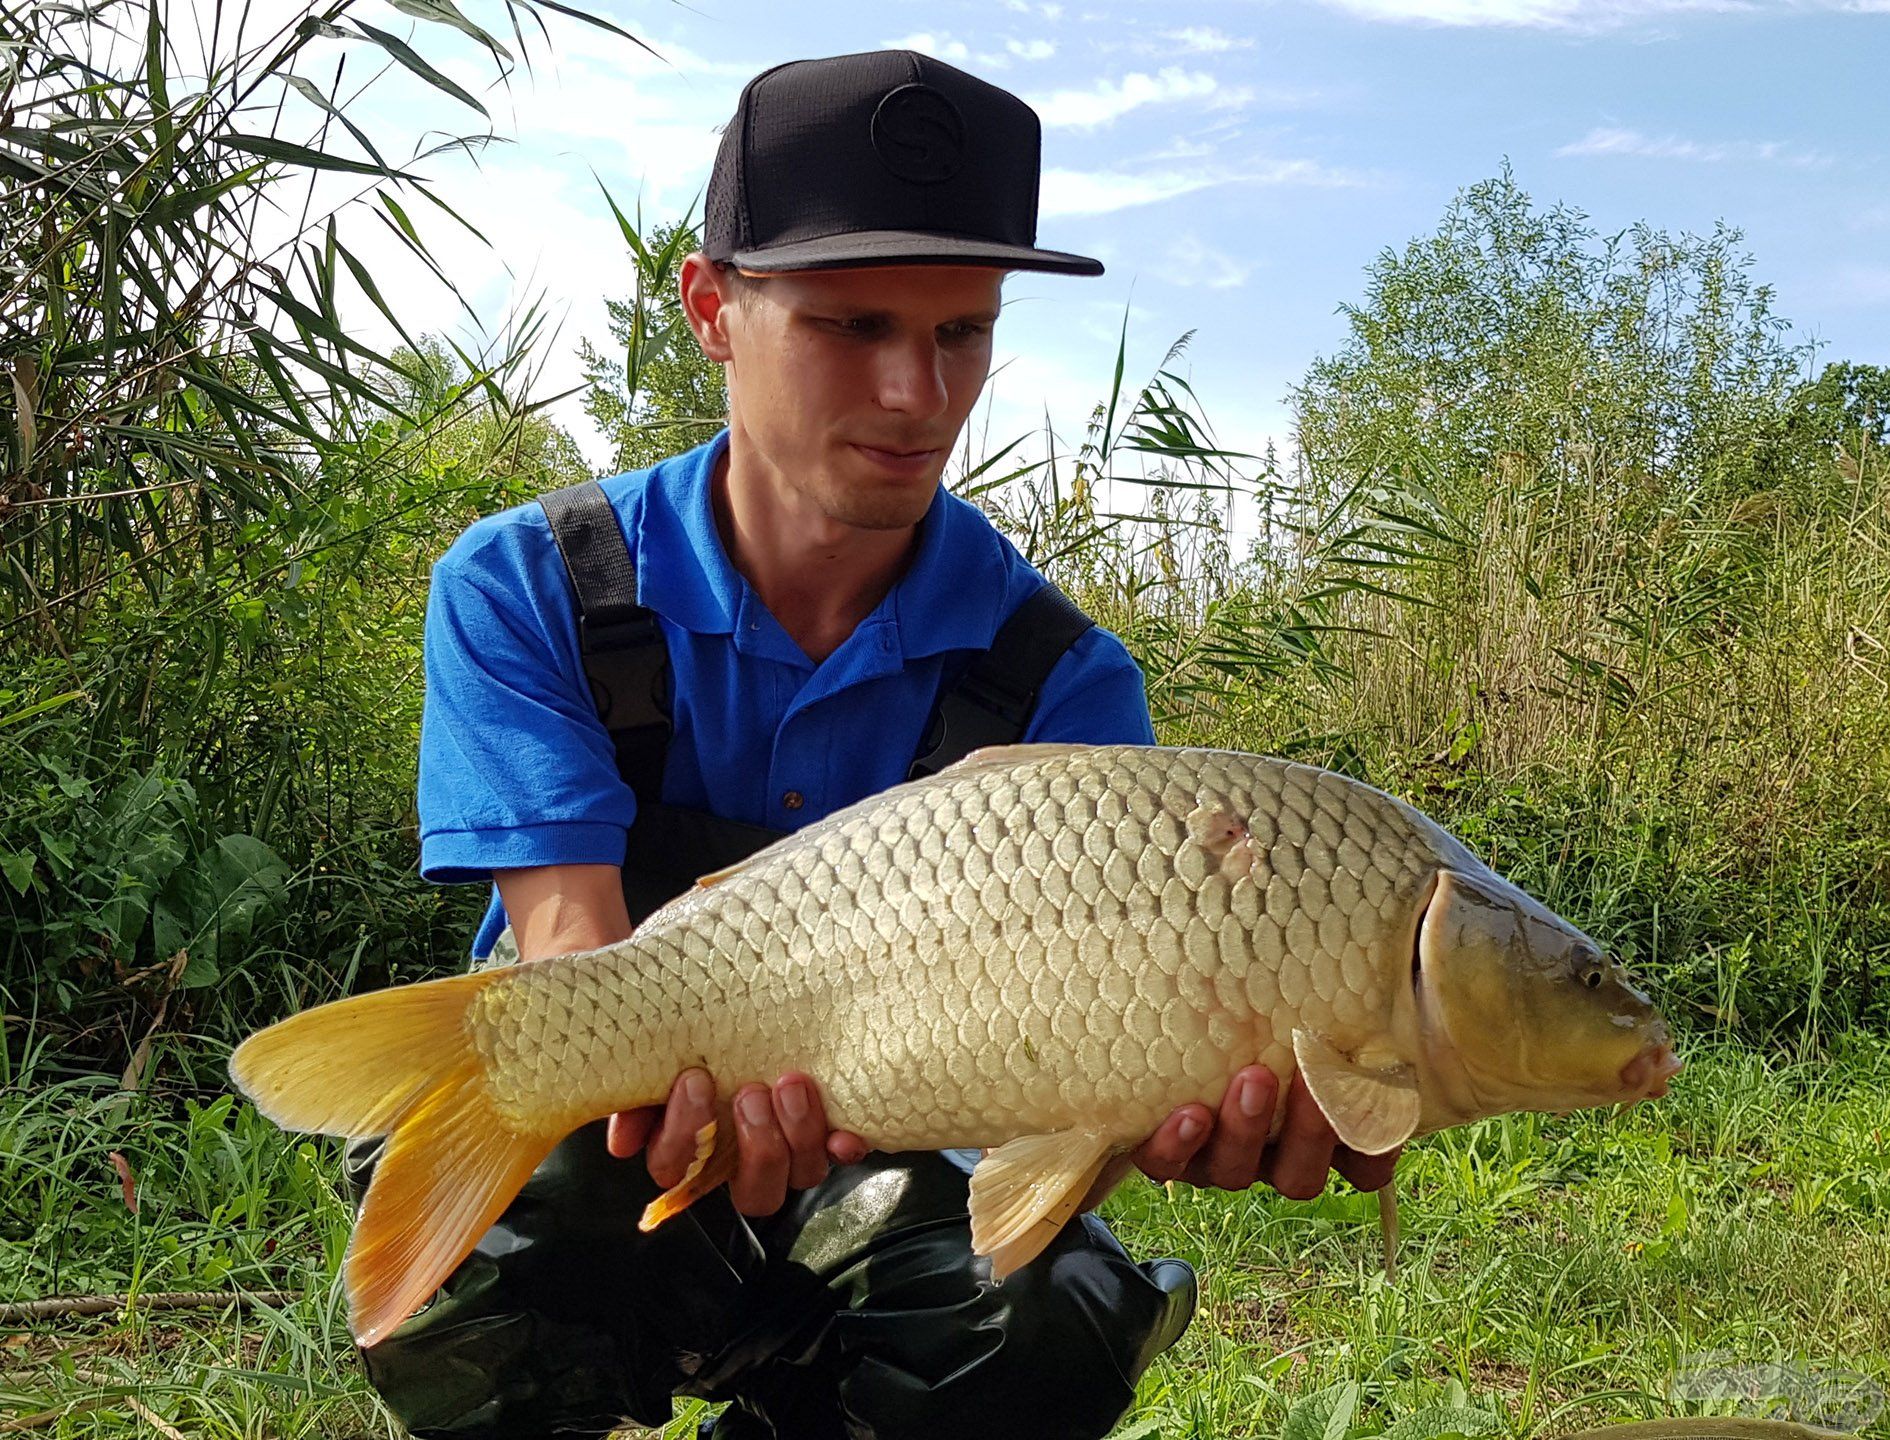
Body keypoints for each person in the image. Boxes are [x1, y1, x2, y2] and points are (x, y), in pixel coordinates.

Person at [363, 47, 1399, 1440]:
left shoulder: (1058, 679)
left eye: (960, 332)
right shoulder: (532, 585)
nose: (918, 395)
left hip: (902, 1170)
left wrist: (1165, 1118)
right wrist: (683, 1105)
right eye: (851, 325)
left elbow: (1047, 1133)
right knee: (518, 1236)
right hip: (623, 1130)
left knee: (1045, 1315)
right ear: (710, 307)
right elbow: (568, 951)